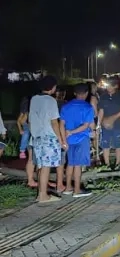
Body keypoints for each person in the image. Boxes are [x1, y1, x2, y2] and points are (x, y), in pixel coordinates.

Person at [30, 76, 65, 204]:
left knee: (40, 166)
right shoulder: (50, 100)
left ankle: (41, 194)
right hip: (48, 138)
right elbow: (54, 122)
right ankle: (43, 195)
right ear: (52, 87)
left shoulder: (34, 99)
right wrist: (61, 140)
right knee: (45, 167)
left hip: (37, 137)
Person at [59, 83, 95, 197]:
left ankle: (68, 187)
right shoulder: (88, 107)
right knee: (78, 165)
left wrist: (64, 138)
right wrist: (73, 132)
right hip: (81, 139)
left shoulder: (66, 106)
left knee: (70, 163)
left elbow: (61, 124)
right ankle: (77, 190)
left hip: (68, 140)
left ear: (74, 93)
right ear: (86, 93)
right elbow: (86, 126)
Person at [98, 79, 120, 170]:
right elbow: (101, 111)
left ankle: (118, 163)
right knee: (105, 144)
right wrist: (99, 124)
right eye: (107, 86)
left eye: (110, 86)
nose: (108, 88)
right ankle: (107, 164)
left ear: (116, 86)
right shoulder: (103, 97)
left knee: (118, 144)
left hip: (117, 124)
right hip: (105, 125)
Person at [17, 96, 37, 187]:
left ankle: (33, 178)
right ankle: (22, 150)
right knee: (25, 134)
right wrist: (20, 129)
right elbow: (19, 121)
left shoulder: (32, 111)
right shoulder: (25, 112)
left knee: (32, 158)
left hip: (31, 128)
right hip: (26, 127)